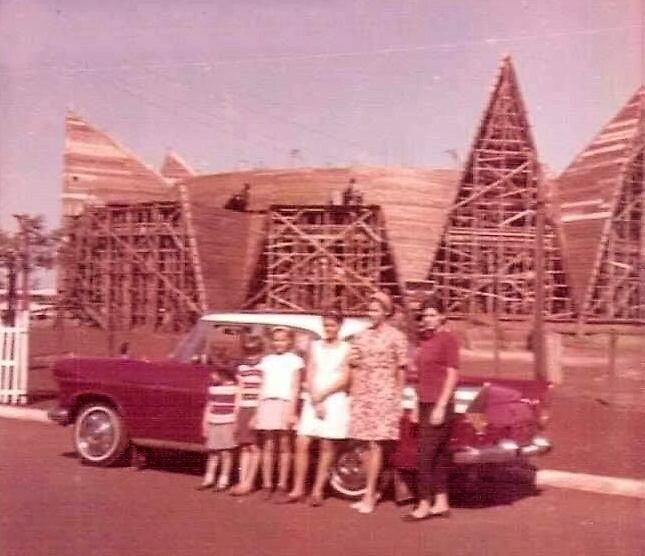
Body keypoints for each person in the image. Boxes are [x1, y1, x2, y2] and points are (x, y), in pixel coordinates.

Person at [282, 311, 351, 506]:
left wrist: (324, 395)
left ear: (339, 326)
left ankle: (317, 490)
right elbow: (310, 373)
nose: (328, 329)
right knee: (302, 442)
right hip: (313, 398)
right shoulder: (314, 346)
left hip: (334, 397)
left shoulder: (347, 348)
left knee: (327, 445)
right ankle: (297, 488)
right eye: (326, 325)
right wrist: (315, 396)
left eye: (332, 325)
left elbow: (345, 378)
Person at [348, 291, 408, 514]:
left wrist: (398, 397)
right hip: (363, 390)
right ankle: (374, 487)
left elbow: (401, 370)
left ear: (386, 312)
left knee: (376, 444)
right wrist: (354, 393)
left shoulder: (396, 337)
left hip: (384, 391)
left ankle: (369, 495)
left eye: (376, 310)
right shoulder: (360, 336)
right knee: (361, 443)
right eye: (370, 309)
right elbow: (353, 365)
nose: (371, 314)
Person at [402, 296, 459, 521]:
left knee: (425, 456)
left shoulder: (448, 340)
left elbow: (452, 374)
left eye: (432, 314)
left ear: (442, 317)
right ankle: (441, 502)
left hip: (440, 404)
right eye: (425, 315)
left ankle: (424, 504)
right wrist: (417, 407)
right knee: (436, 457)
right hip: (424, 402)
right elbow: (420, 378)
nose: (427, 319)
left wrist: (441, 406)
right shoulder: (424, 341)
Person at [255, 327, 305, 501]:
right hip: (268, 402)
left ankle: (282, 484)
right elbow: (262, 386)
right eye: (276, 340)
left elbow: (295, 387)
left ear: (290, 341)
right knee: (268, 445)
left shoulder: (295, 361)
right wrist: (257, 411)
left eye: (283, 340)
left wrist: (291, 411)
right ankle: (267, 484)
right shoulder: (267, 360)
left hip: (285, 403)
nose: (279, 343)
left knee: (285, 445)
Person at [229, 335, 265, 496]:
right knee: (244, 446)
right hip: (243, 408)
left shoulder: (264, 367)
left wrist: (258, 413)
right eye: (248, 352)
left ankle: (249, 481)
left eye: (255, 352)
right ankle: (242, 480)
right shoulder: (242, 369)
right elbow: (240, 390)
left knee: (254, 446)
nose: (251, 356)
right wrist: (236, 413)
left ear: (261, 351)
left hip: (255, 408)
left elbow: (263, 391)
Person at [196, 359, 238, 492]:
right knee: (213, 453)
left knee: (226, 453)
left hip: (227, 423)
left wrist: (235, 424)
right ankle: (209, 478)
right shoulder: (213, 389)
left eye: (214, 373)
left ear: (223, 374)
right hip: (214, 422)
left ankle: (223, 480)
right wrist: (205, 424)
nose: (211, 376)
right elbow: (209, 407)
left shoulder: (235, 390)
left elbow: (237, 408)